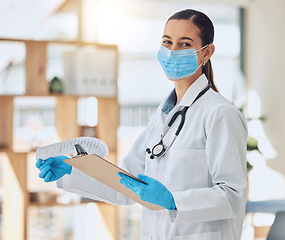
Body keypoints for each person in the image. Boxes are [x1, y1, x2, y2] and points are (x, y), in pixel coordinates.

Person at [36, 9, 248, 240]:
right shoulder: (161, 118)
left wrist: (172, 200)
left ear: (207, 52)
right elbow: (126, 183)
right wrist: (73, 171)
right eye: (167, 42)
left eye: (184, 44)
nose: (172, 51)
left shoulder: (220, 114)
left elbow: (233, 195)